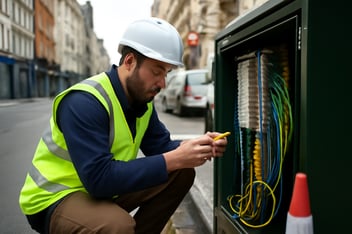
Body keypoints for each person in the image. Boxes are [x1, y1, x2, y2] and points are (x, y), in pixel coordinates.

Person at [19, 17, 228, 234]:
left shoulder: (142, 101)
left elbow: (162, 147)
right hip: (55, 198)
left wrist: (197, 146)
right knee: (117, 226)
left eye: (166, 73)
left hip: (101, 190)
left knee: (182, 172)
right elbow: (99, 179)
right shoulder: (84, 102)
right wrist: (175, 157)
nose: (162, 84)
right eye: (157, 71)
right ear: (129, 62)